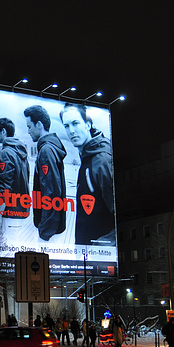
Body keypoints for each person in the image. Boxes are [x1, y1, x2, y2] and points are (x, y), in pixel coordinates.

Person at [60, 103, 115, 246]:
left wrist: (105, 244)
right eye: (66, 126)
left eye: (75, 123)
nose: (71, 131)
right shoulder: (87, 158)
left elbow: (118, 213)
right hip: (86, 256)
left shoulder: (101, 160)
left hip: (99, 258)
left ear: (88, 125)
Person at [24, 105, 67, 241]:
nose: (28, 131)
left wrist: (44, 233)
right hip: (53, 229)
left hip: (49, 234)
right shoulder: (51, 148)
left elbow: (51, 193)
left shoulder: (46, 151)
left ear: (39, 124)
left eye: (29, 126)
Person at [0, 118, 30, 237]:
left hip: (9, 214)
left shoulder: (6, 153)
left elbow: (4, 188)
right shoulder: (21, 153)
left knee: (6, 252)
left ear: (3, 131)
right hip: (22, 213)